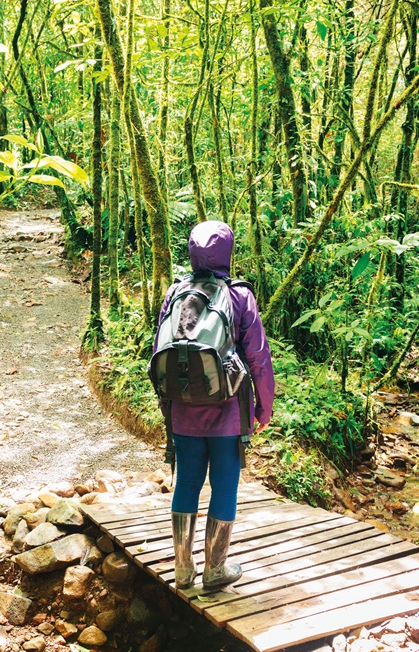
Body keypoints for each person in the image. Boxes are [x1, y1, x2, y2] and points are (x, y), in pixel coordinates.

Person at [155, 221, 275, 590]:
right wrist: (263, 409)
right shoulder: (239, 296)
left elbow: (159, 350)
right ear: (228, 251)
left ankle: (181, 568)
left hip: (182, 410)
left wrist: (167, 406)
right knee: (224, 486)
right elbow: (258, 358)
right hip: (229, 411)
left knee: (186, 483)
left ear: (192, 251)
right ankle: (215, 569)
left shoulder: (176, 291)